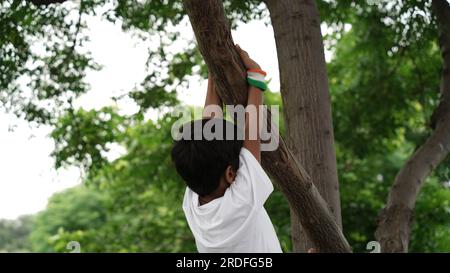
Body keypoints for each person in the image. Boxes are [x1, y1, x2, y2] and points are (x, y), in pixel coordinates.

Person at [171, 45, 282, 253]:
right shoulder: (242, 201)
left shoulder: (194, 202)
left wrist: (215, 70)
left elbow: (208, 131)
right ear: (230, 173)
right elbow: (252, 135)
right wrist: (256, 77)